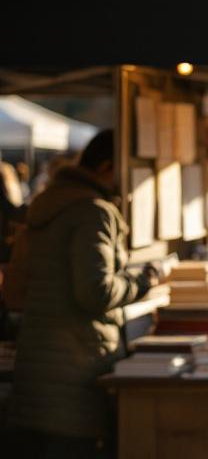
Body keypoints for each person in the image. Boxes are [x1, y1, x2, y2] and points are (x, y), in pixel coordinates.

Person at [9, 130, 168, 457]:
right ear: (108, 167)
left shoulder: (47, 203)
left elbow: (18, 289)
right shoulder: (93, 212)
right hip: (76, 373)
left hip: (36, 372)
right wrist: (144, 281)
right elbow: (95, 291)